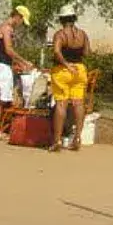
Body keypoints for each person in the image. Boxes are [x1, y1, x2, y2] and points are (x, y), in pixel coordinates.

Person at [0, 6, 36, 141]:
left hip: (3, 65)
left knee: (2, 98)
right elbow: (9, 50)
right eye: (22, 20)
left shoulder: (6, 28)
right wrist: (24, 62)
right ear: (18, 16)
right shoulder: (7, 28)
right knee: (1, 99)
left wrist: (17, 64)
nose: (21, 24)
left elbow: (7, 52)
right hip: (1, 66)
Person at [49, 10, 90, 153]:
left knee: (61, 104)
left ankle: (57, 140)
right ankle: (77, 138)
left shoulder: (60, 34)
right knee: (79, 103)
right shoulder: (83, 34)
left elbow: (56, 51)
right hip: (79, 69)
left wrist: (66, 64)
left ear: (61, 19)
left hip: (63, 70)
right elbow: (86, 53)